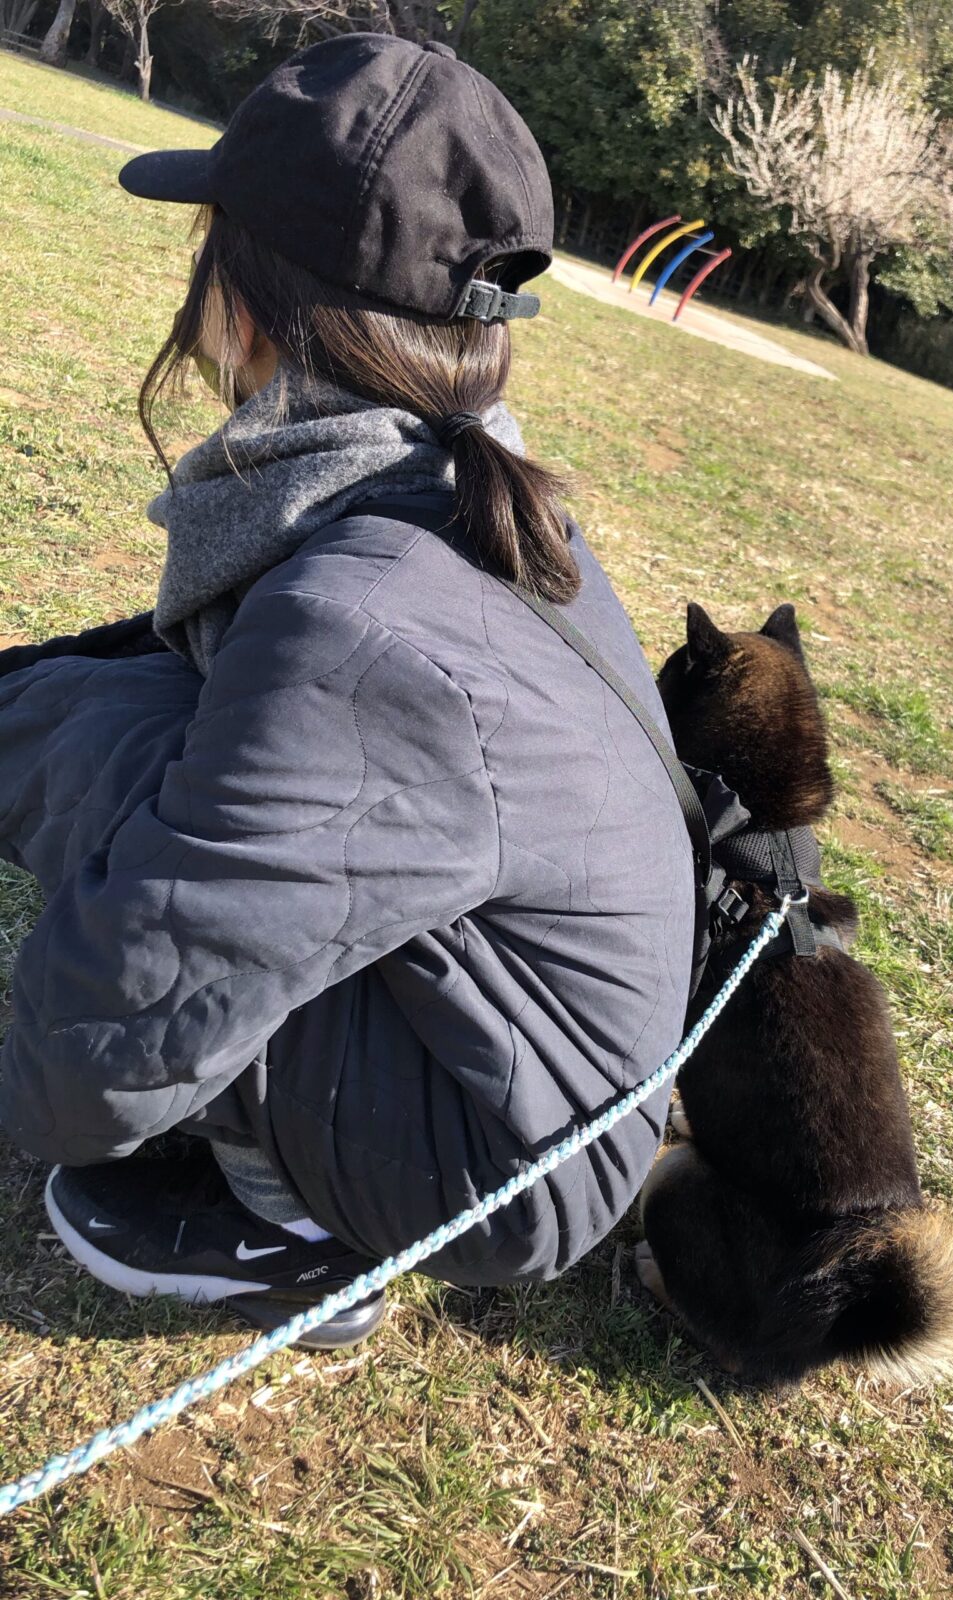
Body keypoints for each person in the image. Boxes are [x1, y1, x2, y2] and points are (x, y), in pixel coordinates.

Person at [0, 34, 695, 1350]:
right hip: (548, 1066)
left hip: (505, 1158)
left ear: (254, 306)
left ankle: (287, 1224)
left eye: (205, 245)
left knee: (100, 749)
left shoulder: (360, 622)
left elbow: (109, 1031)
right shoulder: (459, 486)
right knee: (106, 722)